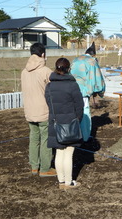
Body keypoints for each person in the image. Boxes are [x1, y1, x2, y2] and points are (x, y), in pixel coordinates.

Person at [45, 58, 84, 189]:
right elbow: (79, 105)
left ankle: (61, 181)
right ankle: (69, 182)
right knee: (68, 153)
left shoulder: (49, 86)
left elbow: (49, 104)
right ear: (68, 69)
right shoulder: (72, 85)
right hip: (70, 123)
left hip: (55, 122)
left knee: (59, 152)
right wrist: (77, 119)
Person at [21, 43, 56, 177]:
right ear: (43, 54)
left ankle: (34, 166)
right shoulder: (46, 71)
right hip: (43, 112)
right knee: (45, 139)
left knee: (34, 139)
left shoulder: (24, 72)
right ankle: (45, 168)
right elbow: (53, 91)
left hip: (29, 111)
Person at [70, 41, 106, 142]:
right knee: (84, 113)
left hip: (71, 90)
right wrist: (100, 90)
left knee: (74, 112)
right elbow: (98, 77)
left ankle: (72, 133)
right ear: (93, 54)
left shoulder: (75, 59)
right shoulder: (92, 61)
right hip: (83, 92)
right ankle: (84, 137)